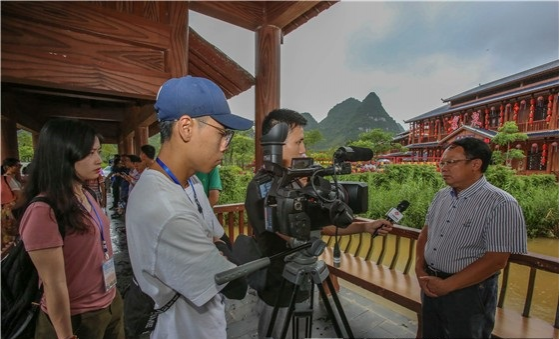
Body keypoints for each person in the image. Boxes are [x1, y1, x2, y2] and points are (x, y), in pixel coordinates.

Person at [245, 108, 393, 339]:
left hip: (305, 278)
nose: (303, 149)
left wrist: (364, 226)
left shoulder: (304, 181)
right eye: (298, 142)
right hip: (277, 284)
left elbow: (323, 227)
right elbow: (276, 231)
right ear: (276, 145)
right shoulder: (262, 186)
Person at [125, 75, 252, 339]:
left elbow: (220, 238)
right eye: (222, 133)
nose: (224, 146)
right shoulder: (165, 209)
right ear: (186, 127)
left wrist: (215, 247)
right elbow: (236, 284)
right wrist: (218, 249)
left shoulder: (189, 181)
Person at [19, 118, 125, 339]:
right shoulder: (43, 211)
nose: (99, 160)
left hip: (109, 301)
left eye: (98, 151)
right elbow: (53, 284)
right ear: (63, 155)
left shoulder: (84, 193)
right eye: (89, 153)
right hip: (77, 317)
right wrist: (66, 335)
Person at [415, 137, 527, 338]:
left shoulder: (501, 203)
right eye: (442, 163)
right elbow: (425, 234)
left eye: (451, 162)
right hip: (431, 283)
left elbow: (496, 260)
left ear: (475, 164)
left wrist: (448, 285)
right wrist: (418, 268)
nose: (444, 168)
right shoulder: (441, 196)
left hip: (470, 291)